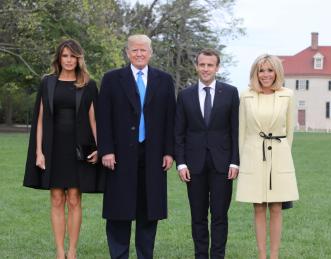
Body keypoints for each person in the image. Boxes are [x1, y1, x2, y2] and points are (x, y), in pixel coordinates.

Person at [97, 34, 175, 259]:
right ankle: (119, 255)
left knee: (148, 210)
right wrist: (107, 149)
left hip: (153, 154)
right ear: (127, 52)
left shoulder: (164, 80)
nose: (139, 54)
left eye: (143, 50)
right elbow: (104, 118)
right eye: (134, 50)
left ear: (151, 52)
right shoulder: (112, 79)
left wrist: (169, 151)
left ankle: (145, 255)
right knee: (119, 209)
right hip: (119, 155)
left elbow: (170, 118)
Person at [23, 39, 103, 259]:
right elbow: (39, 120)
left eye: (73, 56)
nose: (69, 60)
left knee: (75, 198)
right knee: (57, 197)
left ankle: (72, 250)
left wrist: (100, 148)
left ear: (79, 58)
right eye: (65, 55)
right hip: (53, 147)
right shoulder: (47, 83)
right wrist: (38, 152)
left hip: (78, 148)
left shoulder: (88, 83)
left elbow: (94, 120)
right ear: (59, 58)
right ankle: (60, 251)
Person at [175, 49, 239, 259]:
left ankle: (217, 256)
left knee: (220, 216)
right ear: (196, 66)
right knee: (198, 216)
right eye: (202, 65)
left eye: (210, 65)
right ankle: (200, 255)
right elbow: (179, 132)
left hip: (223, 165)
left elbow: (235, 130)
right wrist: (181, 163)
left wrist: (235, 162)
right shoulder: (185, 95)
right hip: (194, 165)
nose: (205, 69)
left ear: (217, 68)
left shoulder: (230, 92)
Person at [236, 54, 299, 259]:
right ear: (255, 72)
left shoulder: (287, 95)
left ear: (277, 72)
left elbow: (289, 132)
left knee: (277, 207)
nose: (265, 74)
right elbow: (242, 132)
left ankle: (274, 255)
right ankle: (261, 254)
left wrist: (280, 154)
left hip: (279, 156)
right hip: (253, 156)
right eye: (261, 70)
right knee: (259, 207)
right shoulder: (246, 95)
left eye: (269, 70)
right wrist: (244, 160)